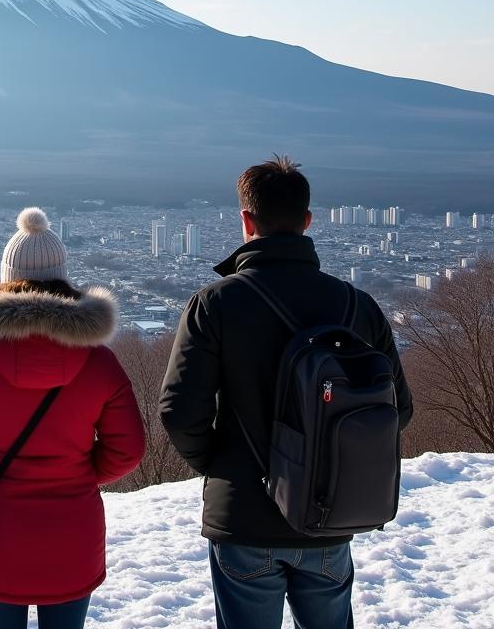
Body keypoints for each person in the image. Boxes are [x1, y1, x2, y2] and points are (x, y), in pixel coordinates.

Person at [159, 156, 413, 629]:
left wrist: (224, 466)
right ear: (308, 221)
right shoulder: (357, 305)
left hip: (244, 517)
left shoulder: (215, 304)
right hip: (329, 513)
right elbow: (399, 408)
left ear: (246, 220)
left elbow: (180, 412)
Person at [0, 207, 145, 629]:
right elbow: (128, 450)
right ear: (63, 276)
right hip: (72, 531)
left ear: (7, 278)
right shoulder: (99, 362)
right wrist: (80, 473)